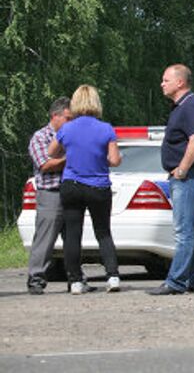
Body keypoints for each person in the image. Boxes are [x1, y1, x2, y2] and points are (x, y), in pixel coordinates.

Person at [49, 85, 122, 295]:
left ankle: (75, 281)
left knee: (73, 233)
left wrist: (70, 151)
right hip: (98, 186)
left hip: (71, 185)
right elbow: (114, 160)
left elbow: (51, 152)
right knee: (103, 232)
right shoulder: (106, 128)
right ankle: (113, 276)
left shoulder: (67, 129)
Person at [148, 64, 194, 295]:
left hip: (189, 176)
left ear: (180, 82)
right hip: (190, 174)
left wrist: (182, 169)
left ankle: (176, 282)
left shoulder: (191, 107)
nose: (162, 84)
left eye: (166, 80)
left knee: (183, 231)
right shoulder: (181, 107)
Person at [26, 97, 72, 295]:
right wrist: (70, 158)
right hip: (50, 193)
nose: (72, 123)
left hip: (71, 192)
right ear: (56, 116)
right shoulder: (40, 137)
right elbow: (44, 164)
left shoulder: (72, 135)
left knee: (73, 238)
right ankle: (36, 277)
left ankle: (76, 278)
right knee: (45, 239)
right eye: (68, 118)